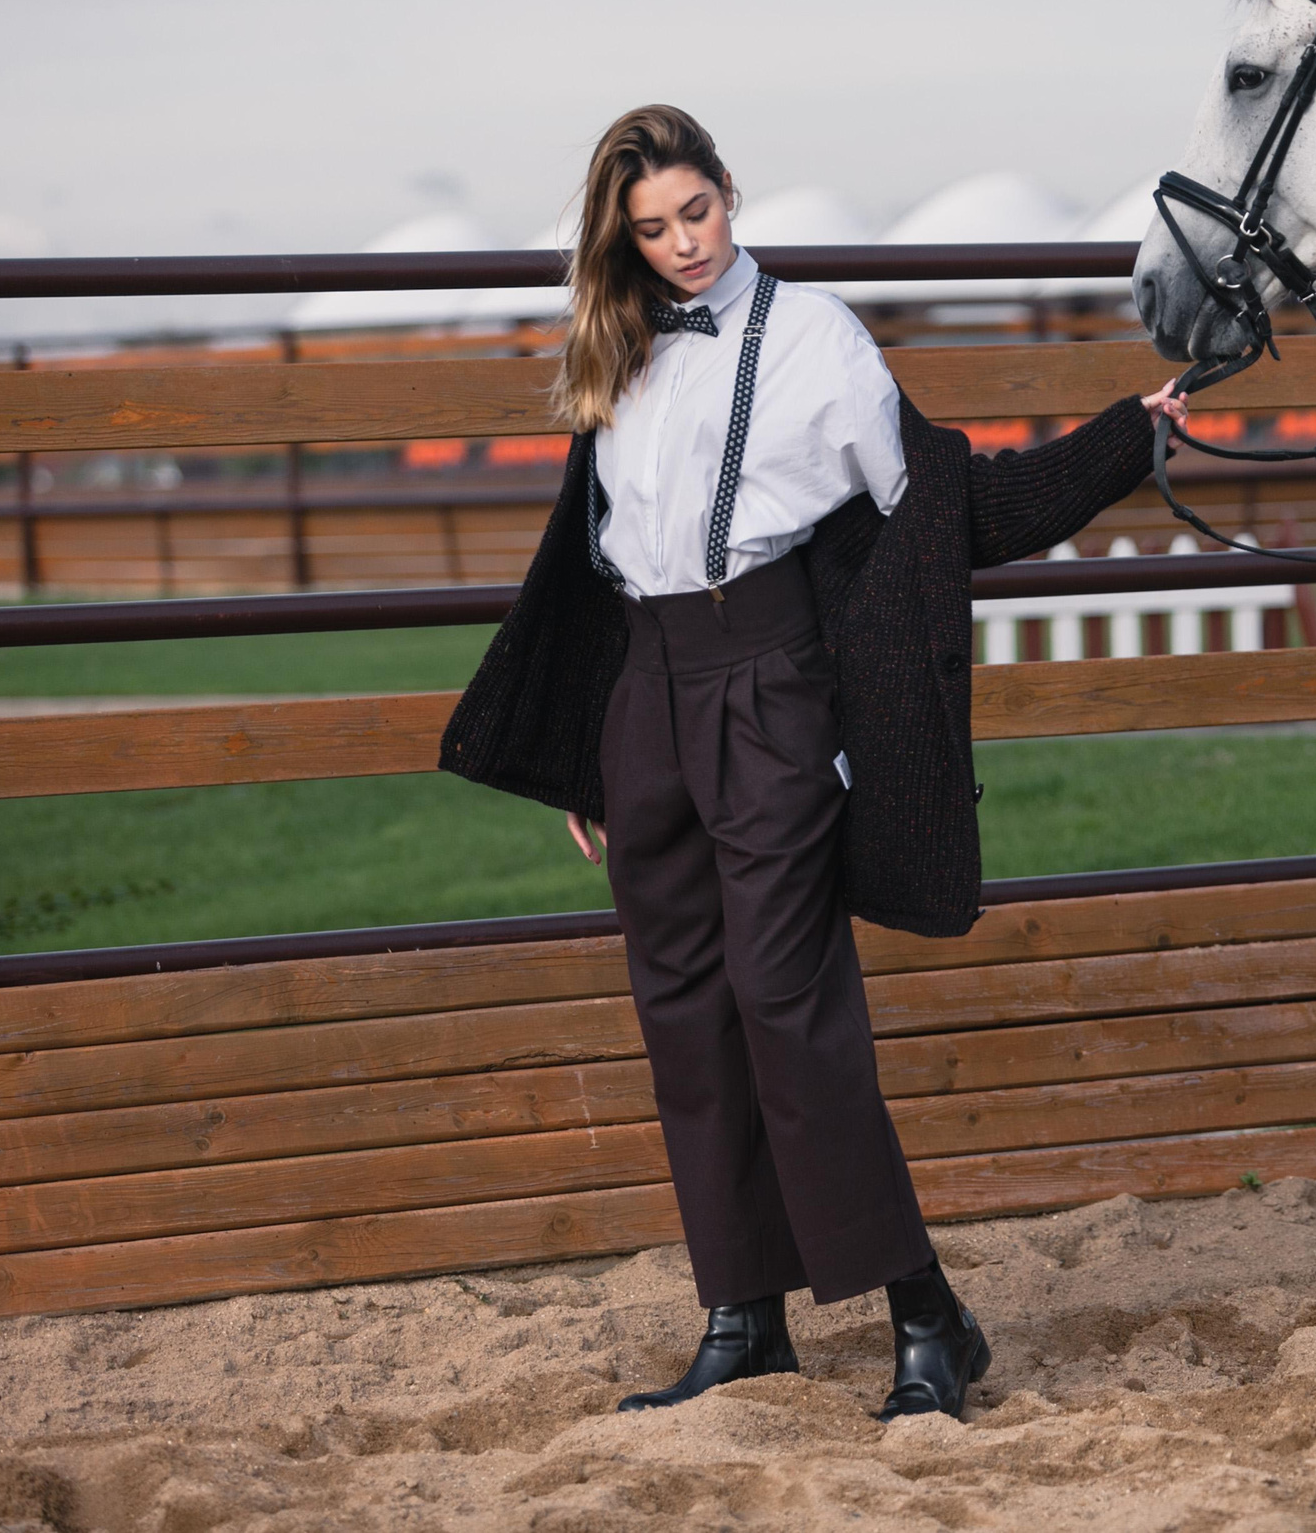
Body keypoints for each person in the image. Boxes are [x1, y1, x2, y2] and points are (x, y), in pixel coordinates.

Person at [441, 104, 1183, 1421]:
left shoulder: (821, 343)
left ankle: (925, 1315)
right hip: (646, 702)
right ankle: (744, 1321)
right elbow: (595, 560)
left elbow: (956, 511)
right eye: (652, 229)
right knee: (685, 1018)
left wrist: (1132, 435)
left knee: (791, 1010)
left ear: (732, 191)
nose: (681, 246)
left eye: (697, 212)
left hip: (770, 689)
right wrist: (587, 754)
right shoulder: (617, 350)